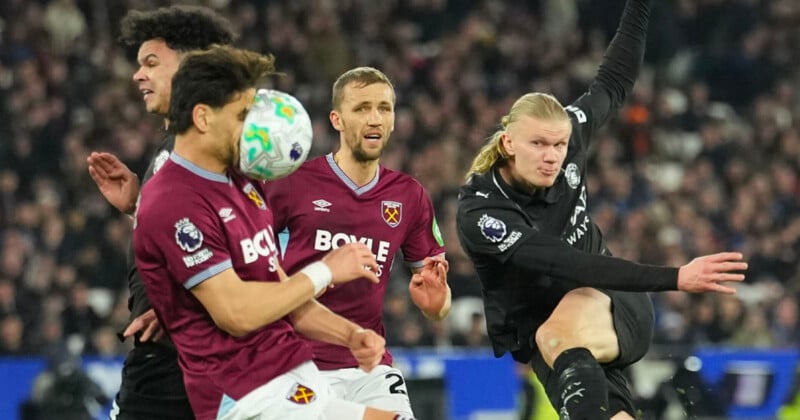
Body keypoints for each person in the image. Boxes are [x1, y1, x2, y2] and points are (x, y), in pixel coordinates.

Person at [454, 0, 748, 419]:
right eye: (538, 144)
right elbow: (563, 261)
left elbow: (613, 82)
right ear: (508, 143)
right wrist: (677, 277)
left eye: (558, 145)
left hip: (610, 301)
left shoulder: (570, 135)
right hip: (554, 336)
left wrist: (640, 6)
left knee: (557, 336)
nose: (552, 156)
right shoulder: (483, 213)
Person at [133, 44, 415, 420]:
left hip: (288, 370)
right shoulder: (174, 200)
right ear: (203, 117)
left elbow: (282, 292)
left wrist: (349, 335)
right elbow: (236, 313)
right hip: (243, 394)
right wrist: (326, 270)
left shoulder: (242, 184)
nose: (254, 127)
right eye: (243, 115)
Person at [263, 66, 450, 417]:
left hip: (369, 363)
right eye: (362, 108)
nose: (375, 118)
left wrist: (437, 303)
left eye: (384, 108)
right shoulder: (294, 182)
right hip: (295, 359)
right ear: (337, 119)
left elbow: (436, 305)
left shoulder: (409, 196)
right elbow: (247, 257)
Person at [86, 6, 236, 419]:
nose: (138, 75)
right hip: (164, 364)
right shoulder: (176, 148)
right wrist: (139, 207)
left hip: (185, 367)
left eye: (152, 63)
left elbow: (259, 245)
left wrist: (182, 308)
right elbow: (195, 235)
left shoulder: (219, 147)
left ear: (193, 67)